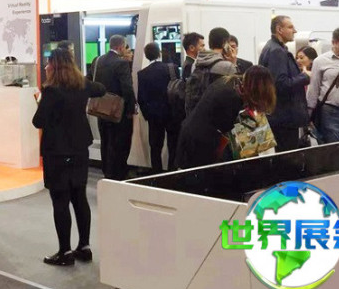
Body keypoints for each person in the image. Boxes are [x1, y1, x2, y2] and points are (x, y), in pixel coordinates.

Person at [33, 48, 105, 266]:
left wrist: (40, 101)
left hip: (57, 151)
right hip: (80, 149)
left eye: (48, 63)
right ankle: (84, 246)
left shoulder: (51, 91)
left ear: (54, 66)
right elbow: (101, 88)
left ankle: (64, 252)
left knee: (60, 201)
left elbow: (38, 121)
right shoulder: (82, 85)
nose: (46, 66)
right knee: (79, 197)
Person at [176, 66, 276, 169]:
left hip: (191, 136)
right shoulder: (232, 99)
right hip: (197, 146)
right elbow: (235, 142)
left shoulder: (230, 82)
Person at [257, 16, 309, 152]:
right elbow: (280, 84)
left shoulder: (273, 48)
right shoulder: (277, 51)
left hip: (279, 116)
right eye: (290, 27)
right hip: (284, 118)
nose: (295, 31)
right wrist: (305, 76)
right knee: (287, 157)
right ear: (279, 29)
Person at [88, 35, 136, 180]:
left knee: (106, 141)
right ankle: (119, 174)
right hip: (118, 111)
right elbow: (127, 88)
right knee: (121, 142)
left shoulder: (97, 60)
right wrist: (131, 109)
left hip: (101, 109)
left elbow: (89, 80)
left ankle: (107, 171)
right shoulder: (121, 63)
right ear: (120, 47)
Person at [137, 42, 178, 172]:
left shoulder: (142, 73)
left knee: (155, 147)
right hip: (171, 112)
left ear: (146, 55)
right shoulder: (172, 68)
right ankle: (172, 172)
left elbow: (141, 98)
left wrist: (147, 115)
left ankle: (157, 174)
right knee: (173, 145)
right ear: (159, 53)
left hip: (154, 115)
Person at [184, 27, 237, 115]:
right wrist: (233, 63)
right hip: (218, 116)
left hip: (199, 114)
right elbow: (236, 93)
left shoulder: (196, 64)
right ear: (225, 43)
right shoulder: (227, 66)